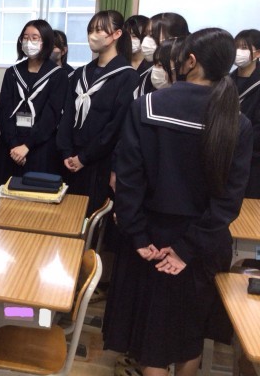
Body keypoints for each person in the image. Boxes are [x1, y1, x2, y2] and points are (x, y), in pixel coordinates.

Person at [103, 28, 253, 376]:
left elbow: (128, 182)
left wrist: (138, 236)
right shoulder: (237, 121)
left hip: (151, 239)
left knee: (152, 340)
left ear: (190, 61)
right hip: (202, 246)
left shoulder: (147, 106)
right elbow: (228, 201)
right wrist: (186, 250)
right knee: (189, 336)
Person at [56, 10, 138, 216]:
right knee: (65, 216)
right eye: (90, 30)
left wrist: (84, 158)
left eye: (99, 30)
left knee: (89, 216)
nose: (92, 36)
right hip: (70, 159)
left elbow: (115, 127)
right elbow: (67, 115)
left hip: (99, 162)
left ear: (117, 34)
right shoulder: (80, 73)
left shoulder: (126, 76)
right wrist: (66, 152)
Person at [0, 20, 67, 190]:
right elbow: (3, 110)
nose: (28, 42)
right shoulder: (12, 73)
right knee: (5, 196)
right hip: (10, 147)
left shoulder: (58, 75)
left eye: (34, 37)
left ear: (46, 41)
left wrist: (27, 146)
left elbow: (51, 116)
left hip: (40, 149)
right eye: (25, 37)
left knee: (35, 197)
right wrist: (14, 145)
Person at [231, 29, 260, 197]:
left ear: (257, 53)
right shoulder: (227, 80)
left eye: (243, 48)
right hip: (228, 156)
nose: (238, 52)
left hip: (253, 160)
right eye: (236, 47)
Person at [134, 13, 190, 99]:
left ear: (173, 38)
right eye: (146, 35)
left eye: (152, 35)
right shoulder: (148, 69)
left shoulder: (187, 78)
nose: (146, 40)